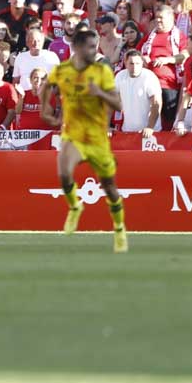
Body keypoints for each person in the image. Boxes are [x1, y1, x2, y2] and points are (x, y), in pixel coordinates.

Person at [40, 28, 128, 252]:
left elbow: (118, 104)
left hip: (97, 136)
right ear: (77, 48)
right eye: (89, 46)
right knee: (64, 172)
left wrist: (99, 93)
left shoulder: (102, 71)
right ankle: (75, 207)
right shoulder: (63, 70)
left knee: (109, 187)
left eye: (94, 46)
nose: (93, 50)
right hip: (73, 134)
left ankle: (119, 229)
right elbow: (47, 86)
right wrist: (45, 108)